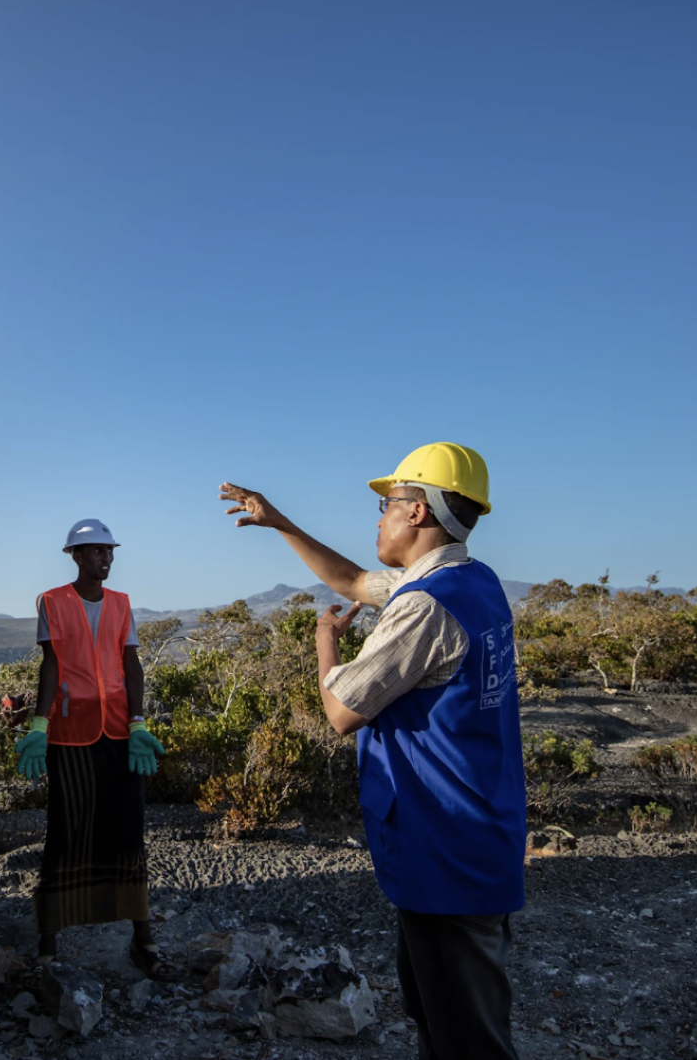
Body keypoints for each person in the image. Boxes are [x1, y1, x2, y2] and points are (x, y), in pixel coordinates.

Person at [219, 442, 523, 1060]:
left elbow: (340, 712)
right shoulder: (471, 581)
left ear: (418, 513)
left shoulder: (424, 607)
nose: (377, 516)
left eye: (388, 503)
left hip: (445, 844)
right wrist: (279, 522)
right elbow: (353, 580)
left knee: (467, 1037)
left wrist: (325, 641)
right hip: (473, 832)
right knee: (439, 1013)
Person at [13, 519, 178, 980]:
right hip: (71, 732)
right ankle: (48, 942)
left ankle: (143, 938)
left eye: (109, 551)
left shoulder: (123, 605)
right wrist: (40, 725)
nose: (106, 558)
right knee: (67, 828)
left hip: (121, 733)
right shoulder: (53, 602)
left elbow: (132, 665)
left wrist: (139, 720)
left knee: (129, 830)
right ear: (76, 556)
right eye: (96, 551)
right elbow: (52, 664)